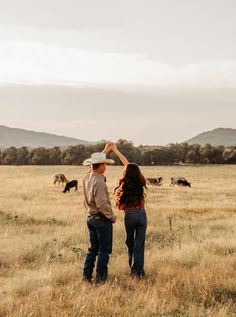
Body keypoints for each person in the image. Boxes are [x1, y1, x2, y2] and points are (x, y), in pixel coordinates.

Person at [110, 143, 147, 277]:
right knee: (140, 244)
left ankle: (134, 270)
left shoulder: (124, 183)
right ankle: (138, 271)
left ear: (125, 172)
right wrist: (116, 150)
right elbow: (129, 165)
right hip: (142, 214)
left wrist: (115, 150)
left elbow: (127, 165)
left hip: (130, 215)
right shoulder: (140, 180)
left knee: (130, 242)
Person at [82, 144, 116, 283]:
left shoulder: (87, 178)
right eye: (104, 164)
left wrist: (105, 151)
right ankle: (101, 279)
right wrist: (111, 216)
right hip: (101, 219)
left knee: (93, 249)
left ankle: (86, 276)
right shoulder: (99, 181)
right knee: (104, 250)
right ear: (100, 166)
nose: (106, 167)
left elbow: (91, 168)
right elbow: (102, 203)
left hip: (90, 217)